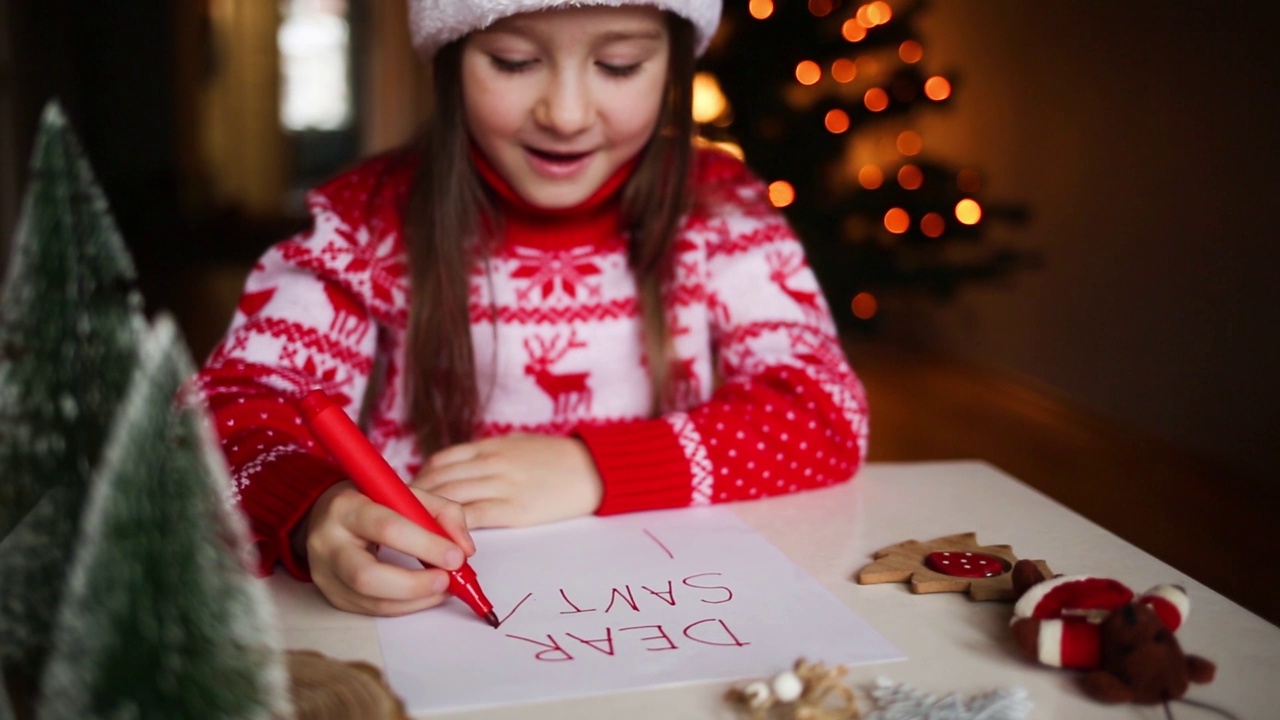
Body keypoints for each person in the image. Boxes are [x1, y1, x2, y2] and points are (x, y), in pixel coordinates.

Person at [196, 0, 869, 617]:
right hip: (430, 620)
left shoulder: (721, 210)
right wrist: (312, 506)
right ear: (453, 53)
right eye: (514, 61)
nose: (567, 113)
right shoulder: (361, 226)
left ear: (675, 64)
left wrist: (595, 468)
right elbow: (223, 417)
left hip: (652, 609)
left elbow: (825, 410)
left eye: (619, 65)